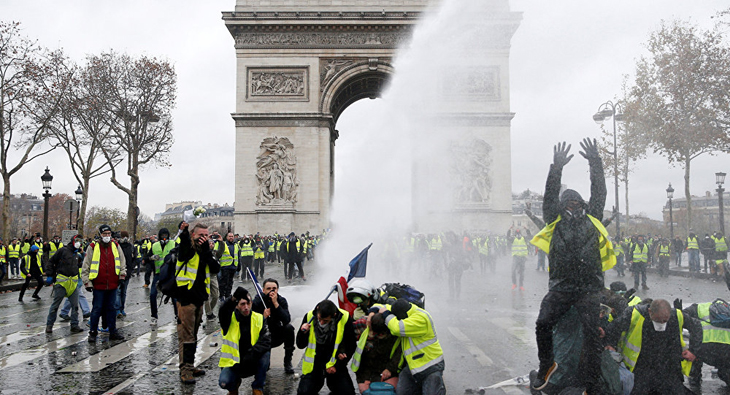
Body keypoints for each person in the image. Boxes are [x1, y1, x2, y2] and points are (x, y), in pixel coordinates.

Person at [530, 139, 611, 394]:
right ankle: (547, 364)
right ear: (562, 205)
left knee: (592, 336)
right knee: (543, 323)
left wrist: (595, 162)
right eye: (568, 202)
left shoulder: (593, 218)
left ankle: (592, 382)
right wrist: (556, 168)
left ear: (583, 204)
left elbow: (599, 192)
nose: (573, 205)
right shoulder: (554, 220)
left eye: (576, 202)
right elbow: (550, 195)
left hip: (588, 288)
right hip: (562, 286)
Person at [606, 299, 700, 395]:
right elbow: (613, 328)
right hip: (640, 368)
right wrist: (611, 345)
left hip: (669, 367)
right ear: (650, 311)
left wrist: (693, 351)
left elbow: (696, 326)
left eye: (665, 321)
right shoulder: (635, 314)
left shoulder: (677, 316)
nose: (661, 324)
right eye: (658, 320)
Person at [175, 221, 220, 384]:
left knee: (193, 335)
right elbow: (184, 242)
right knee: (186, 336)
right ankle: (185, 370)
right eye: (201, 235)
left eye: (206, 235)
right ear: (194, 235)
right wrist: (185, 231)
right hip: (186, 298)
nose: (204, 238)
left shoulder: (205, 250)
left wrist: (208, 251)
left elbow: (215, 268)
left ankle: (190, 364)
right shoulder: (186, 248)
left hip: (200, 297)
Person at [372, 299, 445, 395]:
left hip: (430, 366)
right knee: (402, 392)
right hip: (412, 367)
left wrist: (386, 314)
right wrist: (372, 312)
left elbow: (397, 328)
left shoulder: (421, 318)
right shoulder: (405, 309)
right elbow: (382, 306)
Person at [296, 299, 356, 395]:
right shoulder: (310, 316)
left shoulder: (345, 317)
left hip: (334, 363)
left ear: (334, 315)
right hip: (314, 365)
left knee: (347, 392)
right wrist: (302, 333)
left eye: (326, 320)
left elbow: (351, 345)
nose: (322, 323)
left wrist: (338, 365)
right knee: (304, 393)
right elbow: (300, 345)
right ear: (317, 310)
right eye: (320, 319)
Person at [218, 287, 271, 395]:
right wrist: (233, 298)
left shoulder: (260, 318)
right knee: (224, 382)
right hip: (234, 364)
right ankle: (233, 387)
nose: (246, 307)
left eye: (248, 303)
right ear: (236, 305)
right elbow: (223, 310)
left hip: (252, 360)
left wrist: (250, 355)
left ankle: (257, 387)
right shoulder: (229, 319)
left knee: (265, 354)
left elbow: (266, 341)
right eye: (242, 304)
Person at [82, 224, 126, 342]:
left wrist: (122, 276)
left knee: (112, 309)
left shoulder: (115, 246)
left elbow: (122, 261)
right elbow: (86, 265)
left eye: (109, 234)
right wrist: (87, 282)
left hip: (112, 283)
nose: (107, 236)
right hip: (98, 284)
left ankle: (113, 331)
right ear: (100, 235)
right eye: (104, 234)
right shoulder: (92, 247)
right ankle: (93, 332)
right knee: (97, 309)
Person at [251, 278, 296, 374]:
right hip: (263, 335)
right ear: (263, 290)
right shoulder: (258, 301)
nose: (272, 291)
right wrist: (263, 317)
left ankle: (287, 361)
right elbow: (252, 324)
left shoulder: (281, 300)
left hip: (276, 334)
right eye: (268, 288)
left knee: (289, 328)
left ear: (277, 290)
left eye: (274, 288)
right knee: (264, 368)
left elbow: (286, 319)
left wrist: (276, 304)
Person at [683, 300, 730, 387]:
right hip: (726, 353)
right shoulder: (728, 312)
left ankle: (694, 377)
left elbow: (682, 318)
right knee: (725, 372)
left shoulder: (700, 308)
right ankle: (725, 374)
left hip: (703, 350)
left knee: (695, 342)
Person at [45, 234, 85, 334]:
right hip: (62, 283)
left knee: (75, 306)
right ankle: (49, 325)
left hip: (73, 283)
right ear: (72, 240)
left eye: (80, 241)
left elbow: (79, 264)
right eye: (77, 240)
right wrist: (50, 274)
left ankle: (74, 325)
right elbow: (51, 261)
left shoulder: (77, 254)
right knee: (55, 305)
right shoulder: (63, 251)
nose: (78, 243)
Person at [353, 313, 401, 394]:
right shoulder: (362, 326)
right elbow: (362, 362)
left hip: (388, 370)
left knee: (388, 391)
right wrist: (364, 379)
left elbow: (399, 355)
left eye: (382, 334)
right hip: (368, 371)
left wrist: (390, 369)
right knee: (366, 391)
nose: (380, 335)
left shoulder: (396, 331)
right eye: (377, 334)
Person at [148, 227, 177, 325]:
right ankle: (154, 316)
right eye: (162, 236)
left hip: (170, 273)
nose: (164, 237)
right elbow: (146, 258)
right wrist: (151, 258)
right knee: (152, 294)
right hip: (158, 273)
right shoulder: (154, 245)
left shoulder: (173, 243)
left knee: (174, 295)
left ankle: (177, 315)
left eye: (166, 235)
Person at [115, 231, 135, 319]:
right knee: (118, 292)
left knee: (123, 292)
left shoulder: (131, 247)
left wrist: (131, 269)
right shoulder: (116, 247)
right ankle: (117, 309)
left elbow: (134, 258)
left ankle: (122, 308)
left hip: (127, 272)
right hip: (118, 272)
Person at [216, 232, 239, 301]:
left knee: (230, 282)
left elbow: (237, 255)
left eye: (232, 236)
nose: (231, 237)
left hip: (233, 266)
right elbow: (217, 253)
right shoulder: (223, 244)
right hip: (225, 266)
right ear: (227, 237)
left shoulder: (235, 245)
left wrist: (238, 266)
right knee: (224, 282)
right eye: (230, 236)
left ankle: (228, 295)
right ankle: (222, 295)